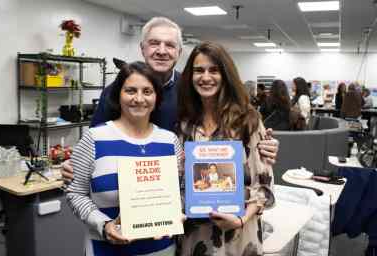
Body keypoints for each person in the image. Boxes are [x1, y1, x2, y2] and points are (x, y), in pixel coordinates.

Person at [61, 17, 279, 182]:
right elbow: (94, 141)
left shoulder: (192, 89)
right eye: (154, 43)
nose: (162, 51)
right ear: (143, 48)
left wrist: (259, 142)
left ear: (179, 52)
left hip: (177, 193)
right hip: (125, 187)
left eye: (170, 45)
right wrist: (75, 165)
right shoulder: (117, 91)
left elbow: (220, 126)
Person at [66, 61, 183, 256]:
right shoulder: (95, 138)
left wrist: (178, 212)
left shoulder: (170, 141)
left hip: (162, 249)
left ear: (157, 97)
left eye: (147, 91)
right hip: (106, 249)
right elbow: (75, 193)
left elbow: (182, 191)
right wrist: (103, 225)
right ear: (118, 95)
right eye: (130, 91)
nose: (139, 99)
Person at [177, 41, 274, 255]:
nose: (205, 77)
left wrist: (241, 219)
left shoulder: (248, 120)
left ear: (226, 75)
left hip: (238, 235)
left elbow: (264, 184)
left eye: (214, 70)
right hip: (195, 236)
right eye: (199, 70)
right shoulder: (184, 125)